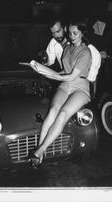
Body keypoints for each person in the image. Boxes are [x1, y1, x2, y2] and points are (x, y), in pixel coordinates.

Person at [28, 20, 92, 168]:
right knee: (52, 111)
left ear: (82, 32)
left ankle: (40, 151)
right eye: (70, 33)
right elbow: (65, 72)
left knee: (63, 113)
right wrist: (45, 70)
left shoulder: (85, 52)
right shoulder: (68, 48)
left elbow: (72, 76)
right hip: (66, 84)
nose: (72, 36)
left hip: (80, 87)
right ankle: (38, 152)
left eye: (75, 33)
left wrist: (55, 76)